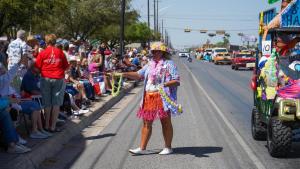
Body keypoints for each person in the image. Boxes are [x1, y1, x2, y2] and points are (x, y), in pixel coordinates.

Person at [122, 42, 180, 155]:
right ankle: (142, 148)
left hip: (162, 97)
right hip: (148, 97)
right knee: (146, 123)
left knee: (165, 122)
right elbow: (139, 74)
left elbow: (176, 81)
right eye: (153, 51)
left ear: (163, 52)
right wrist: (124, 74)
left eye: (157, 51)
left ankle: (168, 147)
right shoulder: (149, 64)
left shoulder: (169, 64)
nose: (154, 53)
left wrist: (164, 85)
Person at [35, 34, 69, 133]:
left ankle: (46, 126)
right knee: (56, 103)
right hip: (58, 78)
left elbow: (37, 68)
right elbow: (66, 67)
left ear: (46, 42)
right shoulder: (60, 52)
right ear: (55, 41)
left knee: (47, 103)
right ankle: (52, 127)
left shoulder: (43, 53)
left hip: (45, 78)